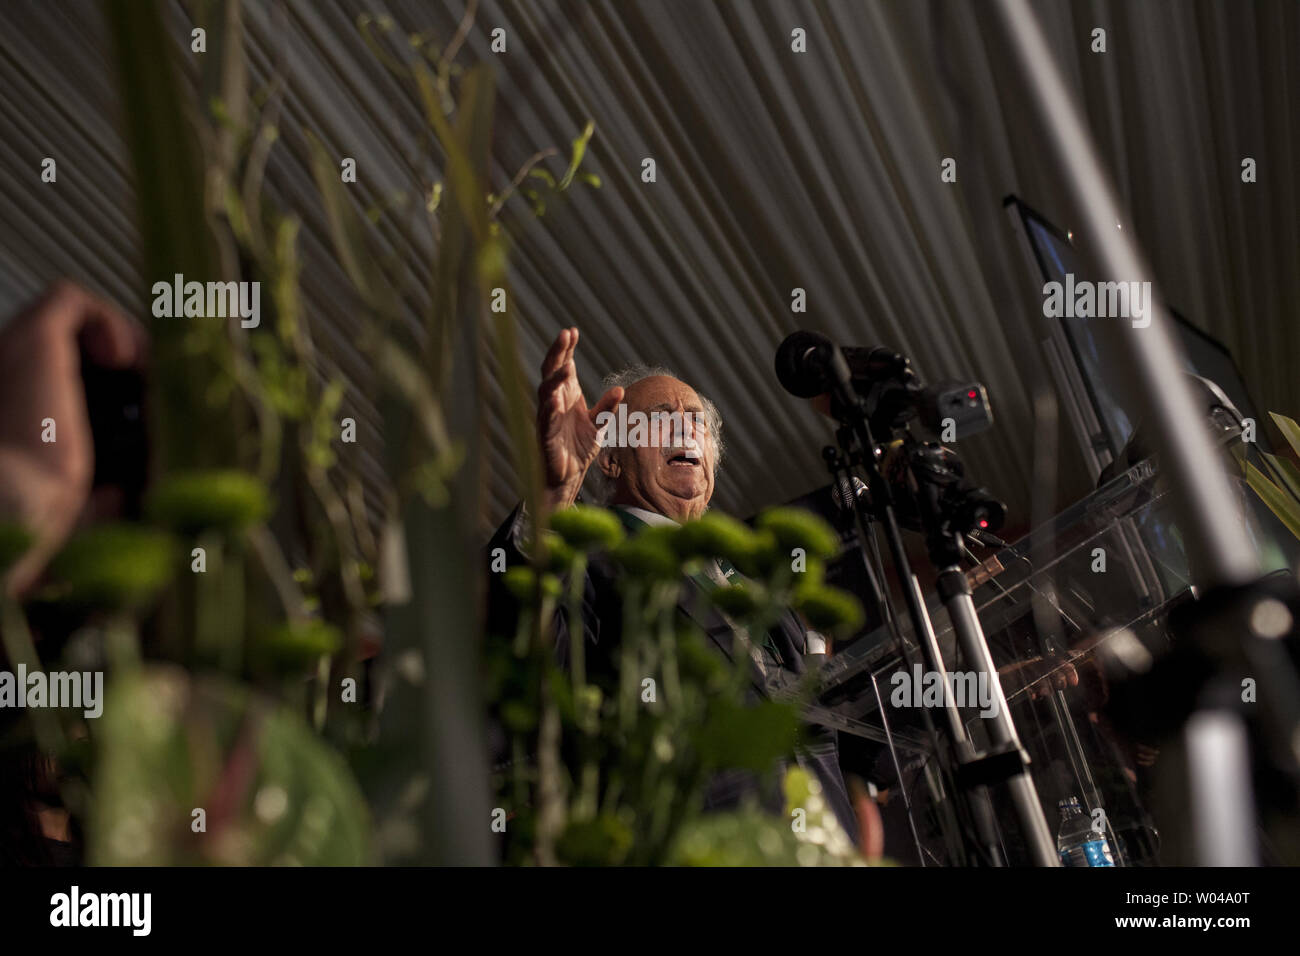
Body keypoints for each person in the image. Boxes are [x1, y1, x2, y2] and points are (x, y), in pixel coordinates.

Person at [488, 327, 861, 842]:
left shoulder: (754, 581)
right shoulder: (589, 555)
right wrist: (552, 495)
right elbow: (522, 643)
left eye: (697, 423)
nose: (685, 431)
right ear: (612, 457)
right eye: (659, 420)